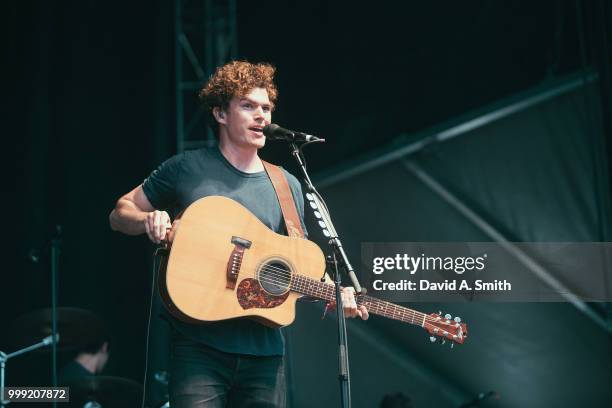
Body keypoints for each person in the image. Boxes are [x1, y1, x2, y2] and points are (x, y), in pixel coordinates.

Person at [109, 60, 368, 407]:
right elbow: (119, 212)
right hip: (198, 347)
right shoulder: (187, 168)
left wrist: (334, 291)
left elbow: (299, 259)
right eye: (248, 106)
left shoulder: (286, 183)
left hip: (266, 354)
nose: (261, 115)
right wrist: (147, 220)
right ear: (220, 114)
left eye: (266, 107)